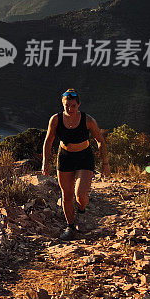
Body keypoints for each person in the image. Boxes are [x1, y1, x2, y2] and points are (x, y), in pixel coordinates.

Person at [42, 88, 109, 241]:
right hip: (65, 157)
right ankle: (70, 227)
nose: (70, 109)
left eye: (73, 106)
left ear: (79, 105)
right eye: (67, 106)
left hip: (84, 157)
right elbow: (48, 141)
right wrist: (45, 162)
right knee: (66, 195)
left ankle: (82, 209)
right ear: (62, 104)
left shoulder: (88, 120)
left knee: (81, 194)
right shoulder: (56, 120)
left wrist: (105, 163)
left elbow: (100, 141)